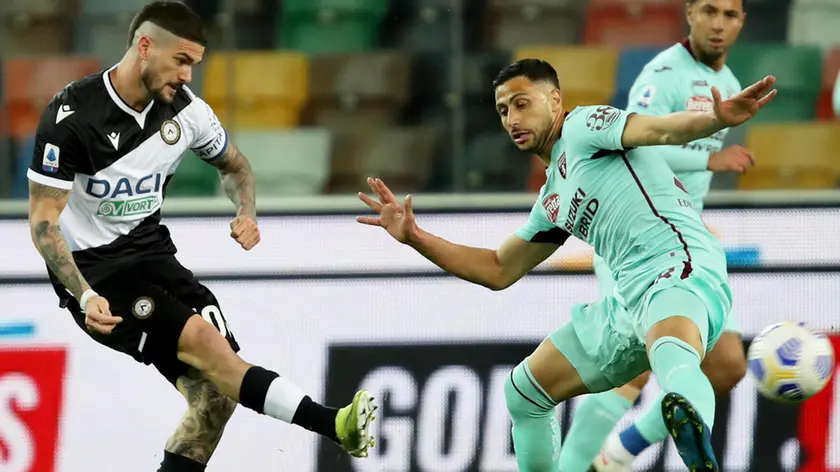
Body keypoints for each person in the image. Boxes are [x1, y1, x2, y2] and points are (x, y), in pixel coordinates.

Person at [358, 58, 775, 472]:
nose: (511, 119)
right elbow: (498, 269)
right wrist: (416, 238)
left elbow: (659, 128)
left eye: (522, 104)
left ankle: (696, 438)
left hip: (678, 265)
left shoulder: (584, 126)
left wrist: (715, 119)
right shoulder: (553, 197)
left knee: (672, 353)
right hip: (625, 303)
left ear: (555, 99)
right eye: (503, 110)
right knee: (525, 391)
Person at [26, 3, 375, 471]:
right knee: (212, 352)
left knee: (216, 398)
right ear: (145, 47)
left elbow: (236, 166)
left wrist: (246, 210)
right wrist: (84, 295)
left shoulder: (188, 113)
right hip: (99, 277)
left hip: (155, 258)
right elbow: (44, 222)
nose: (188, 76)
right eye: (182, 61)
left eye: (194, 64)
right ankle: (334, 424)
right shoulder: (72, 115)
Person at [556, 2, 752, 471]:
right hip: (639, 241)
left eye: (730, 14)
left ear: (743, 21)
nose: (718, 24)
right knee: (634, 367)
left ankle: (619, 456)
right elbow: (634, 145)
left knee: (726, 364)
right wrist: (710, 160)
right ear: (688, 13)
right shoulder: (663, 75)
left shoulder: (727, 84)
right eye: (708, 11)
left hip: (687, 245)